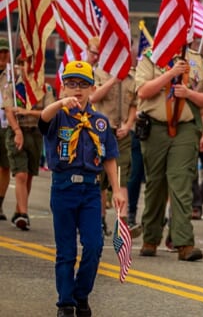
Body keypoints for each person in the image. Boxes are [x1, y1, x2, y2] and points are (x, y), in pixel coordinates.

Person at [39, 61, 124, 317]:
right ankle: (65, 302)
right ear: (63, 87)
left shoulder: (99, 121)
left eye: (83, 85)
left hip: (90, 191)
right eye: (72, 84)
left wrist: (117, 190)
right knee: (66, 251)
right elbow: (43, 119)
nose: (77, 89)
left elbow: (109, 156)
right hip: (63, 187)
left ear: (92, 88)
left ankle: (81, 294)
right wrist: (59, 104)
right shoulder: (58, 115)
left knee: (94, 245)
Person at [135, 48, 203, 261]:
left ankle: (184, 242)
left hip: (185, 129)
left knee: (181, 184)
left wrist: (189, 94)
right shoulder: (150, 57)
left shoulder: (196, 59)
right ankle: (150, 238)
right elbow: (143, 91)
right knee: (155, 184)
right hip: (155, 128)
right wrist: (170, 74)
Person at [89, 43, 140, 237]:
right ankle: (99, 219)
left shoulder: (131, 77)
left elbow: (134, 104)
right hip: (101, 132)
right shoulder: (99, 73)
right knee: (100, 178)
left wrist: (128, 125)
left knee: (122, 176)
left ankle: (123, 222)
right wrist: (113, 80)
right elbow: (93, 97)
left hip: (122, 134)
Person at [2, 57, 55, 230]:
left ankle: (19, 210)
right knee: (21, 174)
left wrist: (27, 111)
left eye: (35, 64)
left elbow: (49, 112)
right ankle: (23, 214)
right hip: (17, 131)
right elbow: (9, 111)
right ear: (20, 66)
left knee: (30, 174)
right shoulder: (12, 87)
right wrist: (17, 131)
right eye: (27, 64)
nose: (31, 68)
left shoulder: (44, 88)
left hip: (36, 133)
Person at [0, 38, 12, 221]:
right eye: (0, 53)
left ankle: (0, 204)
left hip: (5, 125)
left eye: (5, 53)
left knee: (5, 167)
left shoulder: (12, 75)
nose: (2, 56)